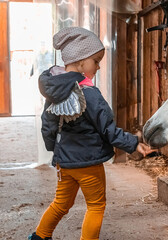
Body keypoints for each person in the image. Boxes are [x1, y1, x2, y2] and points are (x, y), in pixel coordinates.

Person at [29, 27, 154, 240]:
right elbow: (108, 130)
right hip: (88, 163)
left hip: (65, 163)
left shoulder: (54, 92)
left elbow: (47, 125)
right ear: (80, 62)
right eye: (95, 61)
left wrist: (57, 149)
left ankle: (40, 236)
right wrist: (133, 143)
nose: (98, 66)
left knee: (61, 203)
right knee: (96, 206)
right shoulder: (89, 93)